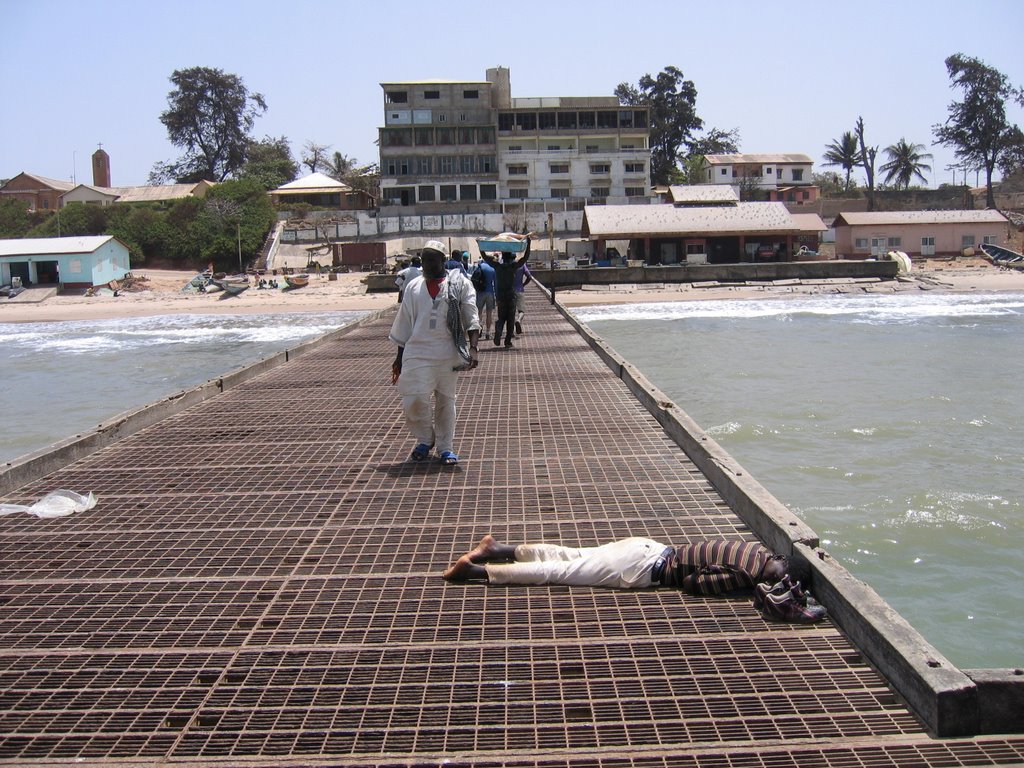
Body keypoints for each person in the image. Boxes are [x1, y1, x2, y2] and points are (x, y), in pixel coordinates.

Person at [442, 534, 826, 623]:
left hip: (649, 546)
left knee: (574, 555)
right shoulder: (748, 570)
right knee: (564, 571)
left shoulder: (753, 549)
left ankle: (499, 550)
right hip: (645, 571)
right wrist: (744, 589)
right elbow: (695, 585)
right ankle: (477, 571)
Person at [389, 240, 481, 466]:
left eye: (431, 260)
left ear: (442, 260)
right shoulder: (413, 287)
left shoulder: (460, 284)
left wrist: (474, 349)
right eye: (424, 260)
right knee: (414, 398)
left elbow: (471, 316)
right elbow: (404, 324)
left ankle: (445, 448)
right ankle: (425, 438)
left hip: (448, 353)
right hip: (417, 352)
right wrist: (399, 359)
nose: (426, 265)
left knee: (446, 402)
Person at [480, 233, 532, 348]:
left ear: (503, 256)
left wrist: (480, 246)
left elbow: (484, 257)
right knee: (511, 318)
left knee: (501, 317)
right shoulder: (513, 267)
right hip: (511, 295)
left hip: (500, 296)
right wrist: (529, 244)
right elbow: (525, 258)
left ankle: (498, 330)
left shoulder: (497, 267)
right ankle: (507, 341)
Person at [471, 258, 496, 340]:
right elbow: (495, 283)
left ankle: (479, 328)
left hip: (480, 292)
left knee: (479, 312)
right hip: (490, 292)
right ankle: (488, 332)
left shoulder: (480, 266)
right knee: (489, 313)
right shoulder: (493, 268)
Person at [512, 261, 532, 335]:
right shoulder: (522, 265)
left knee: (511, 312)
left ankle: (511, 331)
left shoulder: (509, 265)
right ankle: (518, 320)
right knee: (522, 311)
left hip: (510, 291)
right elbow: (529, 277)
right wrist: (523, 284)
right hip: (520, 290)